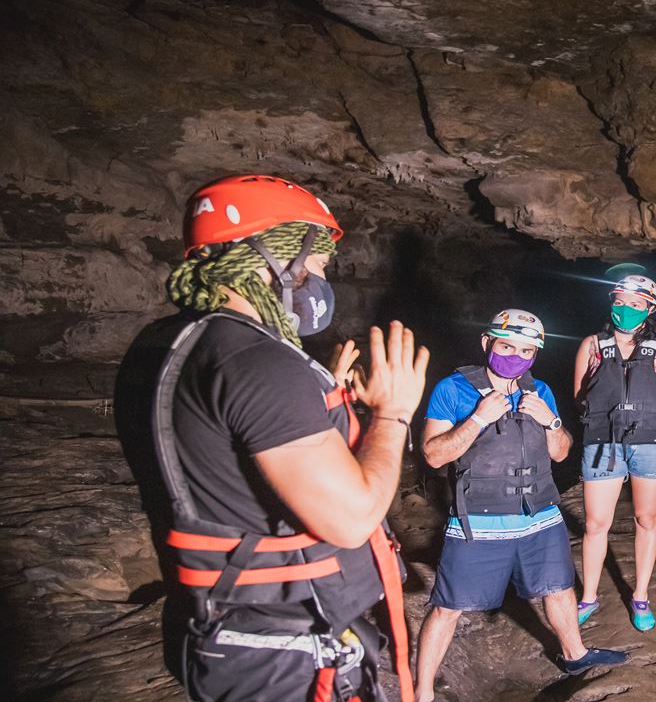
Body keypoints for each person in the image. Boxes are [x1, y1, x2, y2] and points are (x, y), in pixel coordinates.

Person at [124, 174, 428, 701]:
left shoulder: (164, 343)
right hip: (284, 655)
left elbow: (226, 459)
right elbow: (352, 519)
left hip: (222, 631)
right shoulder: (256, 360)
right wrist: (393, 414)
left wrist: (322, 402)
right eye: (316, 264)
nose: (319, 279)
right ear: (275, 256)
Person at [415, 309, 627, 702]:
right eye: (507, 346)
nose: (515, 356)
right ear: (487, 343)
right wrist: (478, 418)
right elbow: (433, 455)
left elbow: (562, 453)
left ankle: (575, 654)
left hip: (540, 515)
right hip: (478, 518)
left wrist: (550, 422)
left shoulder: (540, 391)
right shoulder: (452, 389)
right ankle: (423, 691)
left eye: (526, 351)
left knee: (559, 587)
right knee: (448, 606)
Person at [573, 275, 656, 630]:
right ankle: (589, 596)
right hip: (602, 439)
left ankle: (640, 595)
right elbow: (579, 395)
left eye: (636, 303)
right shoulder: (592, 344)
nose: (626, 308)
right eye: (620, 301)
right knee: (595, 523)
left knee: (647, 518)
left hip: (652, 440)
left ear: (650, 308)